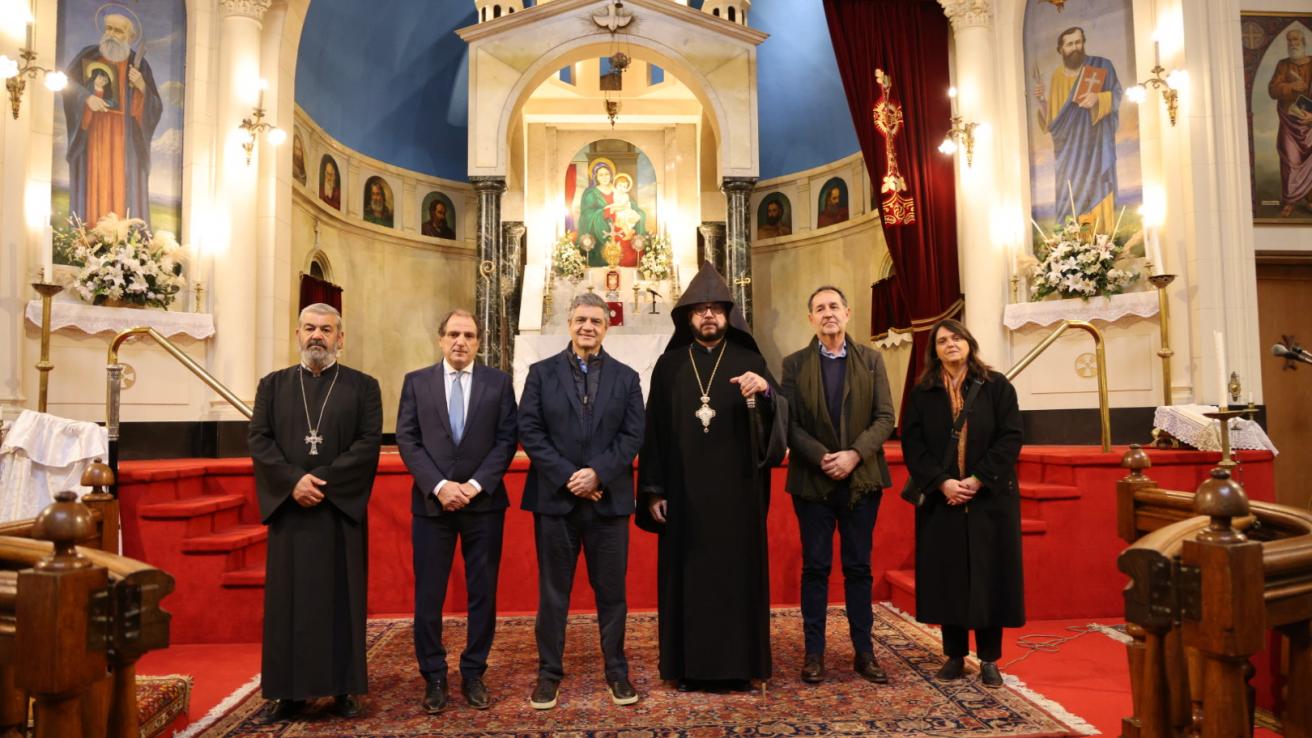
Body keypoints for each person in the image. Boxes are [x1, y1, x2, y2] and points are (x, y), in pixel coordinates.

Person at [637, 262, 788, 691]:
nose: (708, 316)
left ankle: (739, 665)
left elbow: (780, 415)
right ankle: (689, 667)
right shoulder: (669, 367)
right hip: (683, 497)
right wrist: (653, 490)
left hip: (738, 495)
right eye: (700, 310)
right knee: (689, 580)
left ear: (728, 315)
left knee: (734, 579)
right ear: (687, 318)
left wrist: (766, 392)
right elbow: (654, 433)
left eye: (715, 309)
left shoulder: (750, 360)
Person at [248, 303, 382, 722]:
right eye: (310, 328)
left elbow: (367, 444)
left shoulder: (364, 387)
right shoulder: (272, 385)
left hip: (338, 511)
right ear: (297, 334)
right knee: (290, 606)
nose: (317, 336)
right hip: (291, 513)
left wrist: (321, 481)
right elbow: (259, 439)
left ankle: (343, 689)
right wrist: (292, 483)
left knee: (342, 599)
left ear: (340, 337)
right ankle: (289, 693)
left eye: (326, 329)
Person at [518, 292, 646, 709]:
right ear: (568, 324)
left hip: (608, 502)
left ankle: (616, 671)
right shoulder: (540, 373)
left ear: (606, 327)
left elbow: (633, 435)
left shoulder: (627, 378)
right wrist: (570, 477)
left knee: (612, 593)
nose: (587, 327)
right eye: (580, 320)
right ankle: (549, 673)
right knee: (554, 593)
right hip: (556, 501)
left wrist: (598, 474)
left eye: (595, 320)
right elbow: (530, 430)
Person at [396, 310, 518, 714]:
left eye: (468, 335)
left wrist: (475, 485)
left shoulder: (498, 384)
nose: (460, 341)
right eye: (453, 334)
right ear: (440, 339)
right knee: (428, 595)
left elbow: (506, 441)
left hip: (483, 504)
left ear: (479, 341)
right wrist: (441, 486)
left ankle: (473, 672)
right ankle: (433, 675)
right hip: (433, 504)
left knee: (482, 593)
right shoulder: (416, 382)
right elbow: (408, 440)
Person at [899, 318, 1024, 689]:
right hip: (942, 499)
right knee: (949, 577)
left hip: (989, 499)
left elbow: (1011, 437)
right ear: (933, 351)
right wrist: (942, 483)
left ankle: (989, 659)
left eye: (956, 338)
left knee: (989, 577)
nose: (950, 345)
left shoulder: (997, 386)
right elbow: (913, 444)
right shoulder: (923, 391)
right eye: (941, 341)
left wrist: (977, 479)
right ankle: (954, 655)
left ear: (969, 343)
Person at [780, 286, 895, 685]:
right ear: (810, 319)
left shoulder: (872, 361)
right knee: (815, 568)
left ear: (847, 313)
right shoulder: (793, 364)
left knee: (858, 567)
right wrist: (821, 456)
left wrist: (853, 455)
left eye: (833, 307)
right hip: (813, 482)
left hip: (862, 479)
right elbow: (788, 423)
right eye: (819, 309)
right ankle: (814, 654)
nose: (827, 314)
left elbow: (885, 417)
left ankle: (864, 653)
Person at [62, 13, 164, 228]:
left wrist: (141, 87)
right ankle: (89, 236)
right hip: (94, 133)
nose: (111, 34)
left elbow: (155, 107)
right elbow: (67, 86)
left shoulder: (139, 65)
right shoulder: (88, 55)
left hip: (125, 138)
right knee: (96, 183)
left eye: (118, 31)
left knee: (121, 184)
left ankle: (125, 238)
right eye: (108, 28)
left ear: (130, 36)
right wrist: (88, 97)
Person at [1032, 26, 1123, 232]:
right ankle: (1074, 240)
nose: (1075, 47)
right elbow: (1054, 124)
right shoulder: (1057, 77)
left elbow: (1117, 95)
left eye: (1078, 42)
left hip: (1096, 147)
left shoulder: (1102, 66)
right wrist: (1041, 101)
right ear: (1061, 49)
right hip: (1069, 153)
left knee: (1096, 187)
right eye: (1069, 44)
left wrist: (1098, 98)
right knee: (1070, 193)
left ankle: (1102, 237)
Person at [1267, 29, 1312, 218]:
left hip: (1310, 122)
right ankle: (1290, 201)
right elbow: (1272, 90)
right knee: (1289, 159)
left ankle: (1310, 199)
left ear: (1303, 41)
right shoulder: (1283, 65)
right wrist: (1291, 86)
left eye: (1296, 40)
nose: (1293, 43)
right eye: (1289, 40)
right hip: (1289, 121)